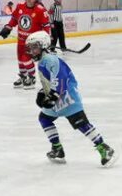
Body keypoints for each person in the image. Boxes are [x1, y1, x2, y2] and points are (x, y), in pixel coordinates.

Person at [26, 32, 115, 167]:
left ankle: (104, 148)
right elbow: (50, 80)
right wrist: (43, 92)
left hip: (67, 97)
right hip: (58, 97)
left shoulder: (50, 60)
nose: (32, 51)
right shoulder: (45, 61)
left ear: (43, 45)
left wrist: (53, 96)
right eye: (30, 48)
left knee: (81, 124)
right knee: (45, 118)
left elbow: (61, 78)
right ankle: (57, 149)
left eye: (35, 47)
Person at [0, 0, 51, 88]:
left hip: (33, 42)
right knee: (20, 60)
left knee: (25, 59)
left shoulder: (40, 10)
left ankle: (32, 78)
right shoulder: (20, 6)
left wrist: (44, 40)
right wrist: (8, 27)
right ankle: (23, 76)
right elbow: (14, 19)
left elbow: (46, 26)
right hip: (21, 39)